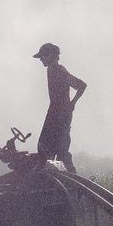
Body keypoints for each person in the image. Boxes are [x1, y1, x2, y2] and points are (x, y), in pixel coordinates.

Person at [33, 42, 86, 172]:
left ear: (51, 56)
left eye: (43, 56)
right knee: (49, 149)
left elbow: (81, 85)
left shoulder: (60, 71)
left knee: (56, 150)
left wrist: (72, 104)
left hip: (60, 115)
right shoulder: (51, 70)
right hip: (54, 113)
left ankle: (71, 182)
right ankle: (45, 177)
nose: (40, 59)